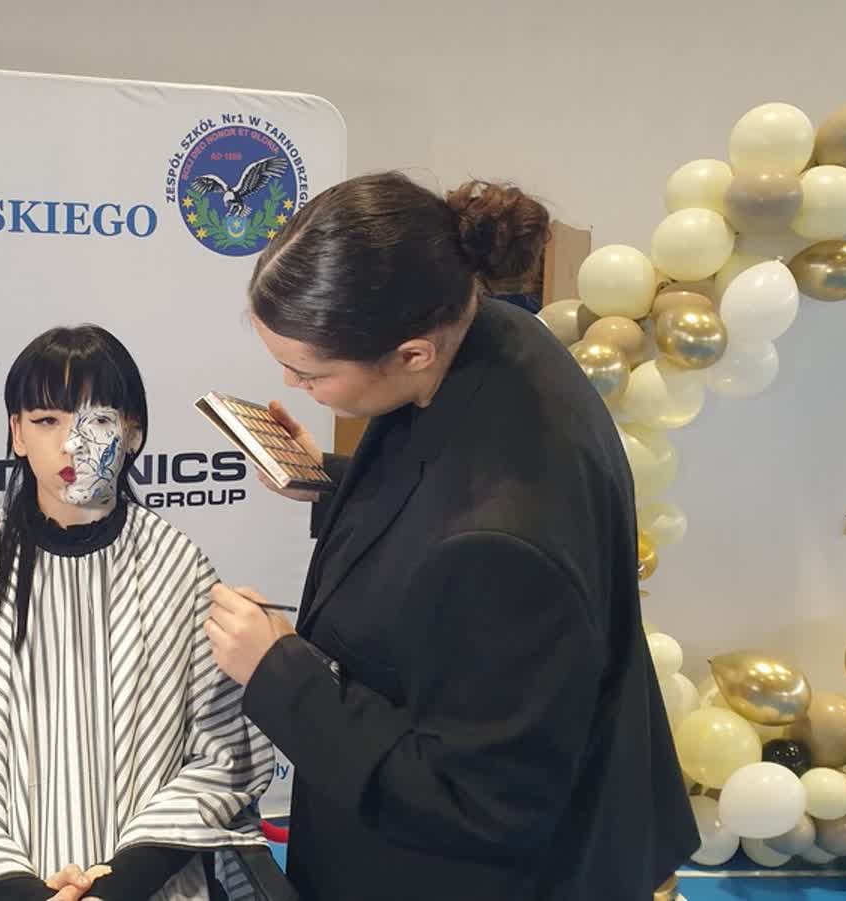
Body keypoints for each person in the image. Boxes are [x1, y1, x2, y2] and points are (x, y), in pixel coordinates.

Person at [202, 173, 700, 899]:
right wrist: (332, 481)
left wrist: (277, 671)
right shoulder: (486, 330)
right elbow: (432, 482)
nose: (289, 383)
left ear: (412, 353)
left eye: (310, 372)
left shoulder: (501, 544)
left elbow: (476, 803)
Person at [0, 325, 275, 901]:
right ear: (17, 433)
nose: (72, 444)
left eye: (96, 420)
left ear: (132, 432)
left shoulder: (180, 566)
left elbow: (221, 757)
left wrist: (118, 886)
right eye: (47, 420)